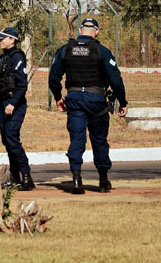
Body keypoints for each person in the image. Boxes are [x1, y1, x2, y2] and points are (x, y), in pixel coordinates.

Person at [49, 18, 128, 194]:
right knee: (99, 140)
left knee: (77, 139)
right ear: (96, 31)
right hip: (96, 101)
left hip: (75, 99)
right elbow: (116, 80)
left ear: (80, 30)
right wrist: (123, 102)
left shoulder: (65, 50)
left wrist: (57, 97)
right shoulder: (102, 51)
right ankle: (103, 179)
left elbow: (53, 78)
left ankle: (77, 179)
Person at [0, 27, 34, 191]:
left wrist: (13, 103)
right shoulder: (3, 58)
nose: (0, 41)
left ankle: (26, 177)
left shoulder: (17, 57)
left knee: (12, 138)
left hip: (15, 104)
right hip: (2, 103)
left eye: (3, 38)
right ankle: (15, 177)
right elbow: (1, 85)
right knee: (7, 140)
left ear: (12, 39)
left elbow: (22, 85)